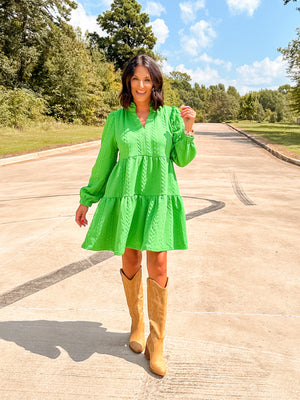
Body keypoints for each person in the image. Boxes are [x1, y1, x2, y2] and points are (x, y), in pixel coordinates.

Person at [75, 54, 197, 376]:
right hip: (126, 198)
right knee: (131, 261)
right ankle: (137, 322)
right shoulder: (116, 120)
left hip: (158, 197)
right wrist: (87, 199)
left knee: (158, 264)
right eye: (135, 79)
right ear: (128, 82)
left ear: (155, 82)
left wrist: (188, 128)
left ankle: (157, 343)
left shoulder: (170, 116)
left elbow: (182, 159)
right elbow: (104, 161)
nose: (141, 85)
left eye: (147, 79)